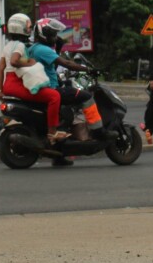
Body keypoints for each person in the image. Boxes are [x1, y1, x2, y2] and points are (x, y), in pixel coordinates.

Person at [28, 18, 105, 165]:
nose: (55, 37)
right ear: (44, 35)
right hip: (52, 89)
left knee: (66, 111)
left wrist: (57, 48)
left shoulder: (33, 48)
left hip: (45, 87)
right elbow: (67, 63)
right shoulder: (42, 50)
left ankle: (60, 154)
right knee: (86, 96)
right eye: (52, 34)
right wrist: (88, 69)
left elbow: (51, 67)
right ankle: (98, 130)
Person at [0, 13, 67, 144]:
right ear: (20, 28)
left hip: (8, 84)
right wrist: (30, 63)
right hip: (17, 83)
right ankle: (52, 132)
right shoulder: (20, 45)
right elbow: (14, 61)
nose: (30, 30)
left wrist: (0, 90)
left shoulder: (7, 46)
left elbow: (1, 68)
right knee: (54, 96)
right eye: (28, 27)